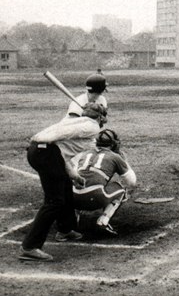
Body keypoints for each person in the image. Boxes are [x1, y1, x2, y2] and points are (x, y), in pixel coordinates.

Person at [19, 103, 108, 262]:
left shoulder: (76, 122)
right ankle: (30, 247)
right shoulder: (91, 126)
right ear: (101, 117)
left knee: (66, 186)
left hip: (45, 152)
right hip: (44, 152)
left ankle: (65, 229)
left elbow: (61, 153)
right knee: (54, 201)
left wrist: (74, 176)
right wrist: (40, 138)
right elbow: (61, 134)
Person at [70, 129, 137, 235]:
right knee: (120, 189)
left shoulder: (84, 153)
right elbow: (132, 182)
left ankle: (72, 220)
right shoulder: (115, 157)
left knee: (73, 184)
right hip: (95, 198)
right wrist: (124, 162)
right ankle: (103, 221)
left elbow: (71, 173)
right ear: (113, 144)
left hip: (72, 198)